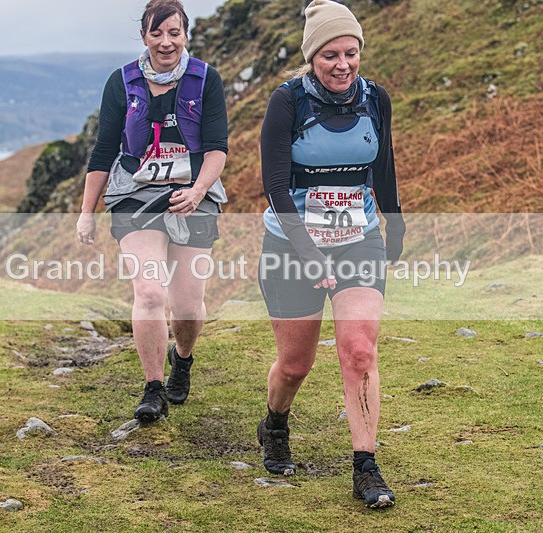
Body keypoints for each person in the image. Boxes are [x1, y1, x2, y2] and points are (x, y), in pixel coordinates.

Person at [257, 0, 405, 509]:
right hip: (291, 242)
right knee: (295, 365)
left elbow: (381, 170)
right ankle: (275, 421)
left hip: (358, 238)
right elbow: (275, 186)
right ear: (311, 57)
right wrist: (307, 252)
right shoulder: (287, 102)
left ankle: (366, 466)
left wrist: (397, 229)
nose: (343, 64)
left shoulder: (375, 99)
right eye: (330, 55)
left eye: (352, 52)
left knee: (359, 350)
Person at [76, 0, 228, 422]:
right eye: (156, 33)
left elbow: (217, 149)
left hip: (193, 195)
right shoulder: (120, 83)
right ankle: (153, 388)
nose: (166, 42)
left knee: (187, 307)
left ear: (185, 35)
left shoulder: (205, 80)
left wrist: (197, 192)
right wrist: (87, 211)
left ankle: (183, 356)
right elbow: (105, 149)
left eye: (174, 33)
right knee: (149, 291)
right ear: (144, 36)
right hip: (135, 194)